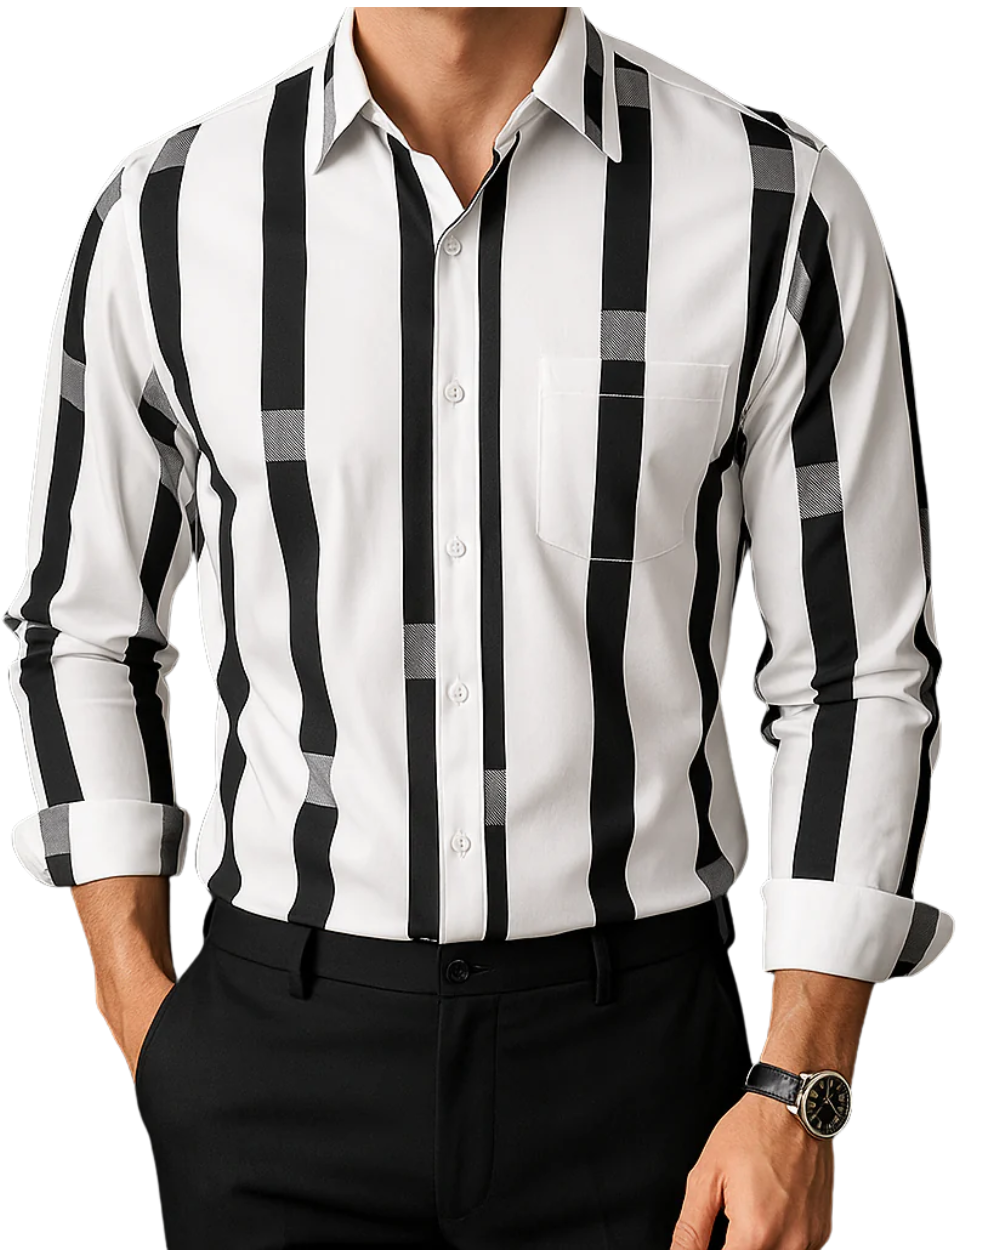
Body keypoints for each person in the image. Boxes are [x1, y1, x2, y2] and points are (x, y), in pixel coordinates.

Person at [4, 6, 952, 1249]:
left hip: (639, 1077)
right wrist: (143, 1012)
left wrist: (798, 1088)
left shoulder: (771, 204)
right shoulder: (169, 217)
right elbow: (83, 627)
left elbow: (855, 670)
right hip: (272, 1060)